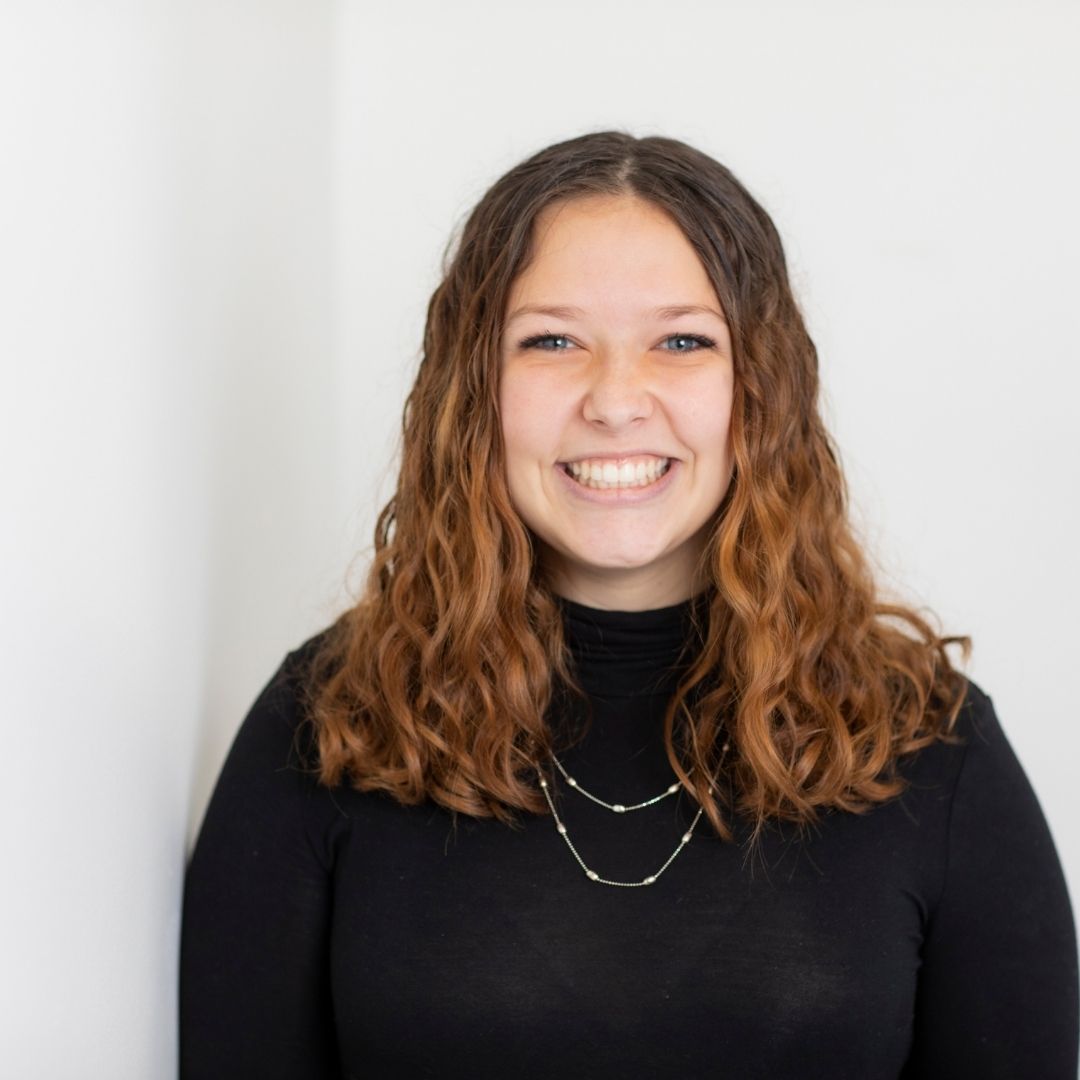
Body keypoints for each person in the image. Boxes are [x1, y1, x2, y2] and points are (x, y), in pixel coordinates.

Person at [179, 131, 1079, 1078]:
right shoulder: (328, 725)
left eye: (683, 340)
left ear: (761, 390)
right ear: (472, 391)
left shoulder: (930, 747)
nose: (616, 400)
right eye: (552, 340)